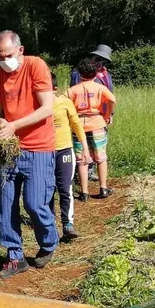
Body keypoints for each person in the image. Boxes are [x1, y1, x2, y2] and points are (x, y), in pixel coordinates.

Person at [0, 29, 60, 278]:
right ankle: (14, 255)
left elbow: (47, 108)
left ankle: (49, 242)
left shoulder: (35, 66)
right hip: (10, 148)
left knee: (34, 203)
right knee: (5, 200)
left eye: (8, 55)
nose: (4, 60)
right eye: (0, 56)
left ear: (20, 50)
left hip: (39, 146)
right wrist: (0, 126)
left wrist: (14, 126)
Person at [68, 56, 117, 200]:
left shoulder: (73, 90)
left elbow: (63, 101)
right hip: (97, 124)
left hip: (79, 126)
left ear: (80, 74)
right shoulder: (100, 88)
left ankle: (84, 192)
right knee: (101, 158)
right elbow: (112, 99)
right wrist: (107, 114)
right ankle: (103, 189)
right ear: (96, 74)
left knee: (82, 159)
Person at [50, 72, 91, 240]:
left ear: (55, 88)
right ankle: (49, 224)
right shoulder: (35, 105)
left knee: (65, 188)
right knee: (47, 190)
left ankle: (68, 224)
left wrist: (85, 150)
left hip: (65, 151)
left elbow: (77, 126)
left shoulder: (65, 103)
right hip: (44, 153)